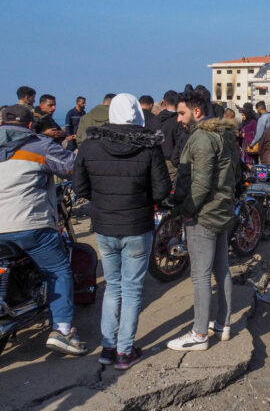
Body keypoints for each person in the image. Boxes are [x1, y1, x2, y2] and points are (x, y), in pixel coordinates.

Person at [74, 94, 170, 369]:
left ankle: (108, 347)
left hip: (104, 225)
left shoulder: (90, 145)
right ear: (138, 114)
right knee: (131, 289)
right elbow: (162, 190)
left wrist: (102, 199)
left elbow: (80, 187)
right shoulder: (149, 147)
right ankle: (125, 351)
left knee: (113, 286)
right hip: (137, 225)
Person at [0, 105, 86, 356]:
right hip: (29, 223)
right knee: (57, 270)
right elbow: (73, 168)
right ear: (30, 125)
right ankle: (63, 331)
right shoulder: (39, 145)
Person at [167, 90, 239, 351]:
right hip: (221, 210)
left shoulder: (201, 138)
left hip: (204, 214)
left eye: (181, 113)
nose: (178, 119)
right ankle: (223, 324)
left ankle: (199, 334)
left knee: (200, 275)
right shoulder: (224, 134)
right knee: (222, 269)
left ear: (196, 111)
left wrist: (185, 210)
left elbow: (200, 184)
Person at [155, 90, 182, 184]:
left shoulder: (155, 120)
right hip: (171, 161)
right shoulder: (179, 121)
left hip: (156, 160)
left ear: (164, 102)